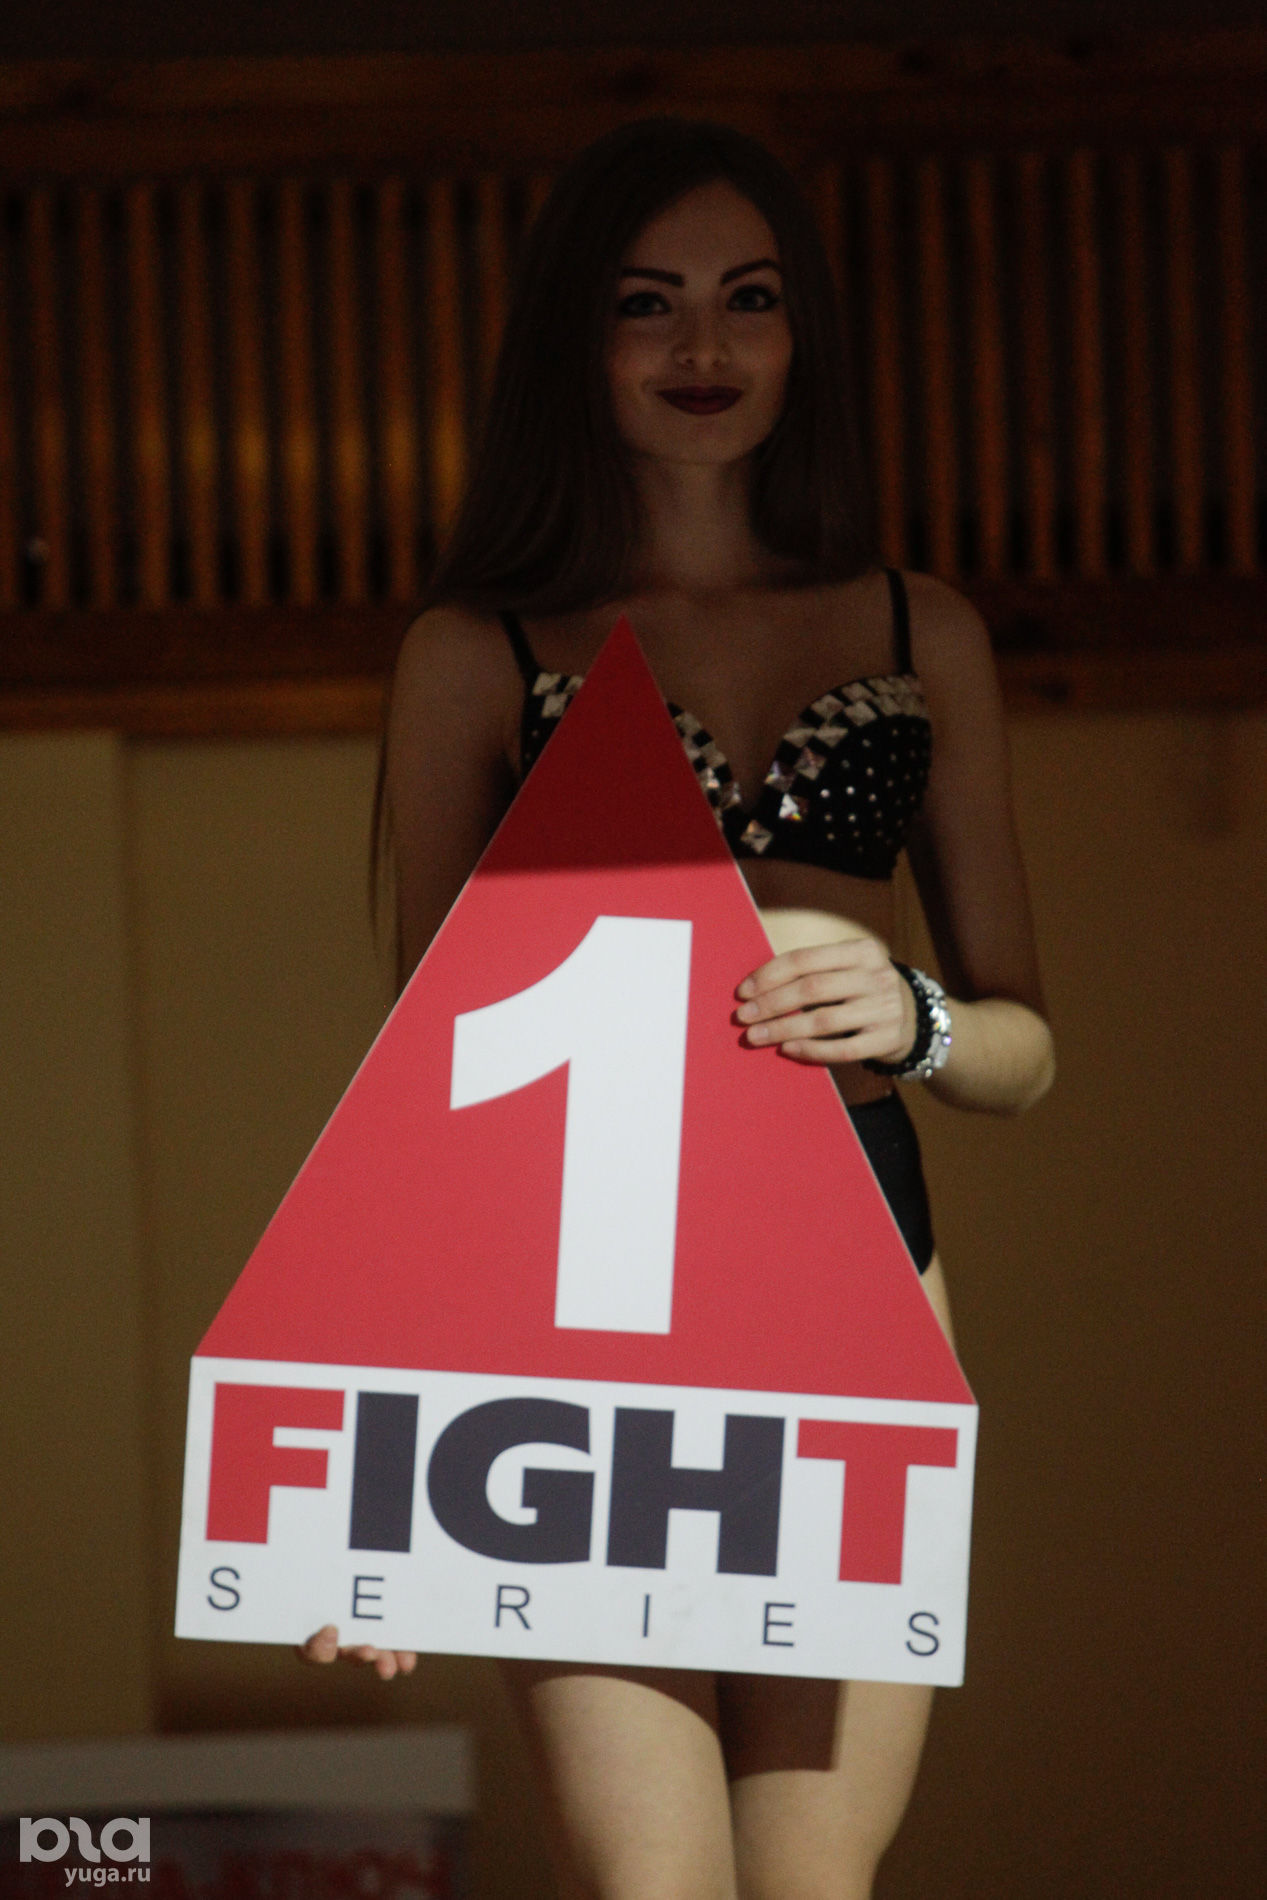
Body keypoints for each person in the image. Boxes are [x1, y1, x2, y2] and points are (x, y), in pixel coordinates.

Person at [300, 118, 1054, 1900]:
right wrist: (371, 1494)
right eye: (648, 304)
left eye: (749, 298)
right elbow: (429, 1094)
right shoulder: (478, 648)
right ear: (579, 337)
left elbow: (1025, 1047)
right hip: (578, 1312)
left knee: (816, 1884)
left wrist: (919, 1019)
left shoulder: (919, 627)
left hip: (860, 1277)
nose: (704, 346)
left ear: (804, 335)